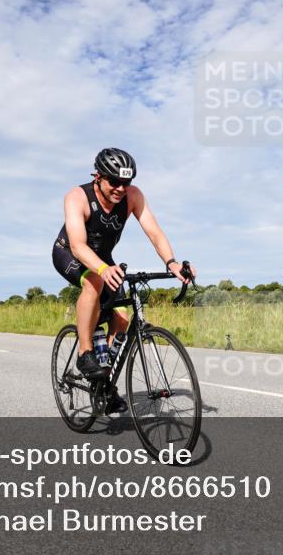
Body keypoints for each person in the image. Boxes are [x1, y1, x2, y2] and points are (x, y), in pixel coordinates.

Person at [52, 148, 195, 414]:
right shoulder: (77, 197)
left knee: (120, 320)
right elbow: (79, 245)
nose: (120, 188)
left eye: (125, 182)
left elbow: (153, 231)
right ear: (98, 177)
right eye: (114, 182)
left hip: (104, 259)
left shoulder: (133, 196)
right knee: (94, 280)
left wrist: (172, 263)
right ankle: (85, 354)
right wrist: (103, 268)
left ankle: (103, 385)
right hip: (70, 253)